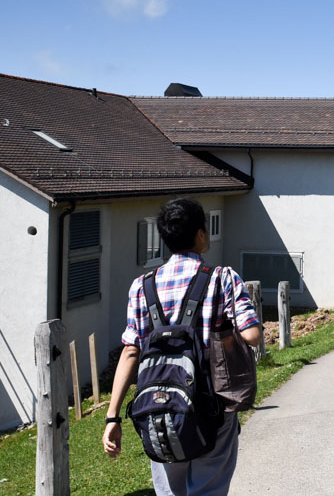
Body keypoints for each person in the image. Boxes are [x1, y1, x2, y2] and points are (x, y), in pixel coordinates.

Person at [103, 198, 262, 495]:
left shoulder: (142, 286)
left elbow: (130, 351)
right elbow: (252, 335)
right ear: (201, 234)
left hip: (158, 408)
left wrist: (112, 416)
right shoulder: (222, 279)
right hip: (213, 406)